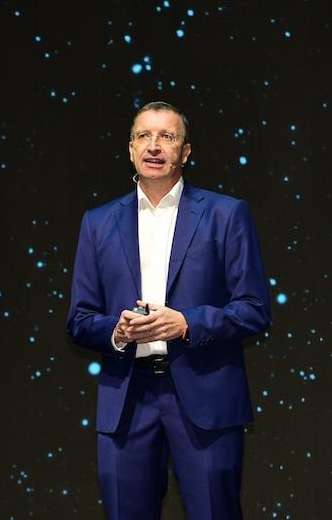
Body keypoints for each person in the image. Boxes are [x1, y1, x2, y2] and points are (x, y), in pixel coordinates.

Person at [67, 101, 271, 519]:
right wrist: (118, 332)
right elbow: (80, 320)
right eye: (144, 136)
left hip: (205, 396)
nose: (154, 146)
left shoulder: (225, 214)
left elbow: (253, 309)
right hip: (127, 400)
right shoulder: (98, 223)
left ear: (185, 151)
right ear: (130, 149)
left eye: (167, 136)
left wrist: (185, 323)